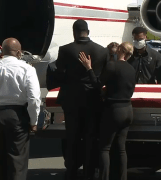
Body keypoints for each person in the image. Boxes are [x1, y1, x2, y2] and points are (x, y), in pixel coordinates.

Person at [55, 19, 109, 180]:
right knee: (91, 137)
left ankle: (71, 171)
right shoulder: (102, 51)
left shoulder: (65, 50)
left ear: (74, 32)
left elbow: (59, 74)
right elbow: (105, 76)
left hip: (71, 100)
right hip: (93, 99)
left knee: (72, 137)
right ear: (88, 32)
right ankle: (89, 172)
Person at [79, 42, 136, 180]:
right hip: (128, 109)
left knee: (105, 148)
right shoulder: (131, 69)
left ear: (121, 50)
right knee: (121, 149)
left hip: (114, 110)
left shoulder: (112, 65)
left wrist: (88, 68)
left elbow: (97, 84)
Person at [0, 38, 41, 180]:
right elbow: (34, 98)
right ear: (19, 52)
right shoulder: (27, 69)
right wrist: (34, 122)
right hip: (17, 115)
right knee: (17, 160)